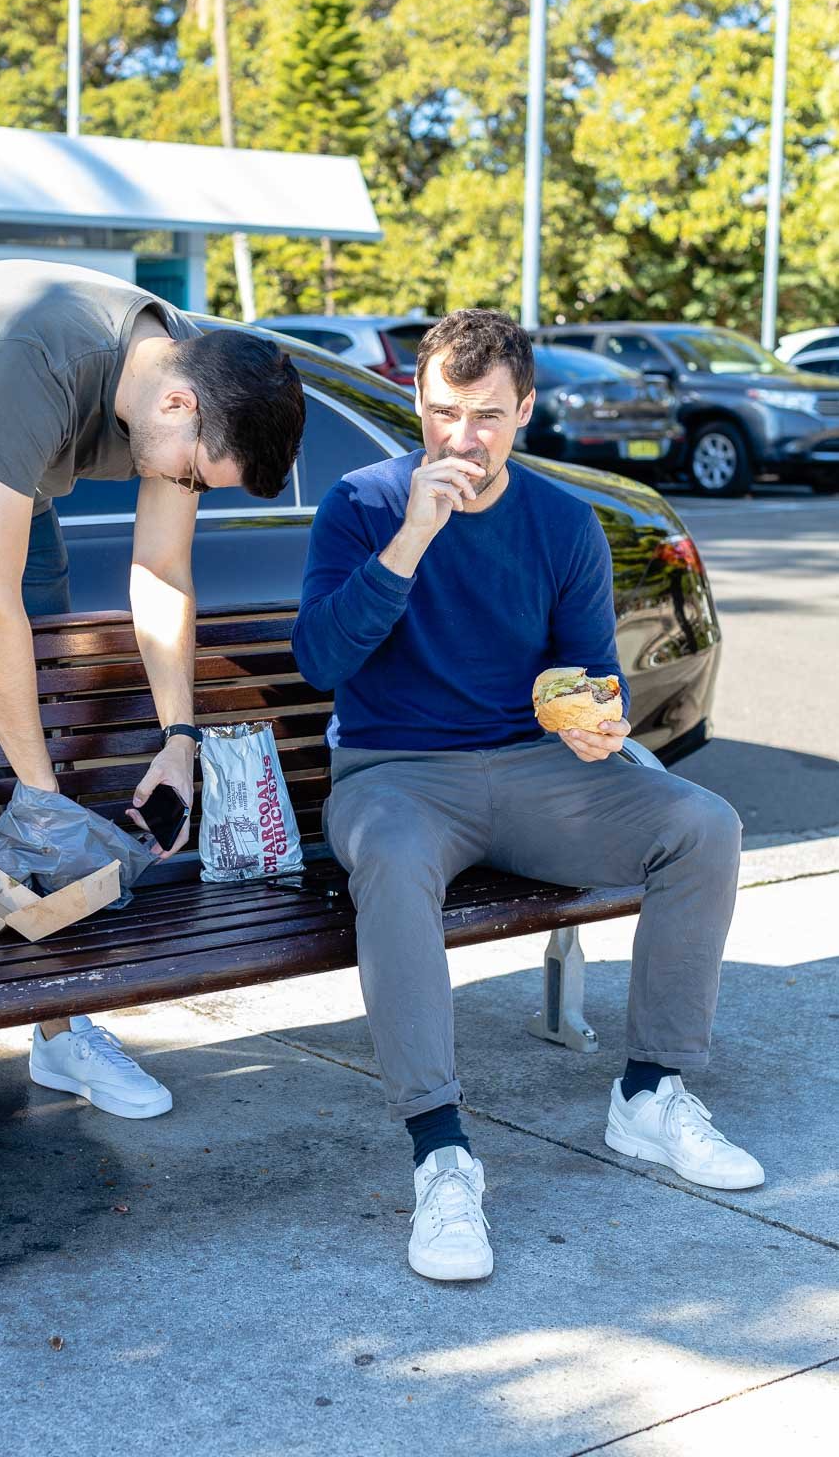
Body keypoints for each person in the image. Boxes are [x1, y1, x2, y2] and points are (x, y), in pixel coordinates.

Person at [291, 308, 761, 1284]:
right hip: (393, 774)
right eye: (441, 412)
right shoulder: (362, 504)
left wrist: (594, 715)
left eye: (486, 417)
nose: (459, 440)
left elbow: (589, 673)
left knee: (700, 824)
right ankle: (441, 1153)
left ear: (527, 412)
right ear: (416, 403)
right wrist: (412, 538)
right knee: (387, 855)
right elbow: (319, 660)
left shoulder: (558, 520)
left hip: (533, 769)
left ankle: (647, 1092)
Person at [0, 258, 304, 1173]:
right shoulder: (34, 359)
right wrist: (35, 797)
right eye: (198, 478)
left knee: (57, 747)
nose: (186, 489)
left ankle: (56, 1021)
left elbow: (161, 573)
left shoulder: (187, 379)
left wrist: (178, 740)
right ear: (175, 410)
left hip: (10, 474)